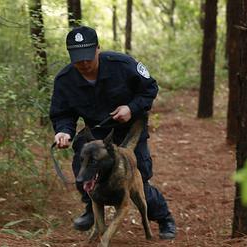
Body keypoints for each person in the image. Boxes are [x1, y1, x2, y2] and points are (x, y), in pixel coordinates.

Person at [49, 26, 176, 239]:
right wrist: (63, 132)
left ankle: (164, 218)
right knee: (84, 168)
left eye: (88, 57)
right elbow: (62, 113)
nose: (84, 63)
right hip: (97, 134)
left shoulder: (123, 65)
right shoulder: (65, 79)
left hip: (129, 131)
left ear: (98, 49)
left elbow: (150, 89)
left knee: (139, 182)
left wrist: (131, 108)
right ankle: (91, 209)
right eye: (78, 59)